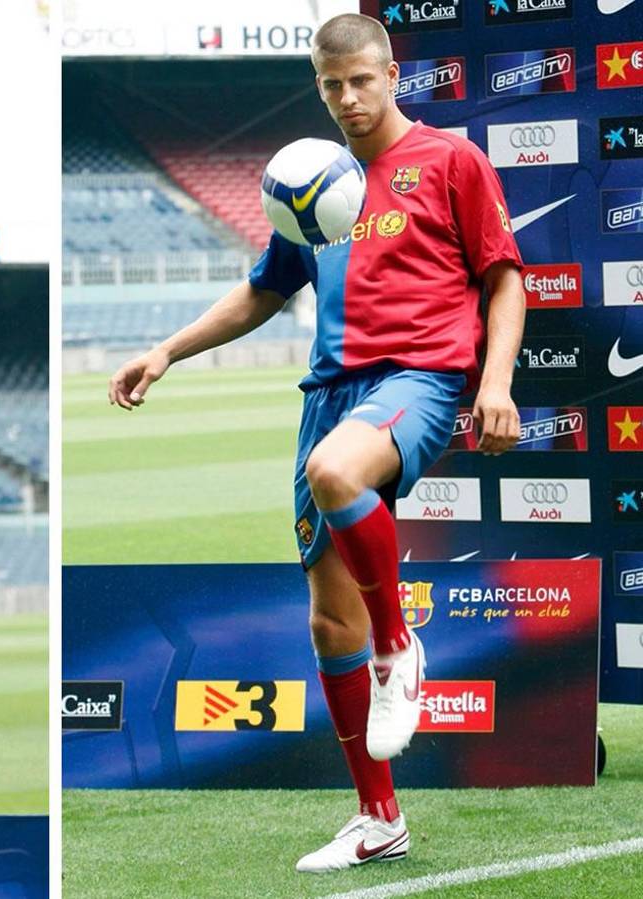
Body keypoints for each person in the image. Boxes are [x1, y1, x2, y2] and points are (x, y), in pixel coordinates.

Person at [108, 13, 523, 873]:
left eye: (360, 81)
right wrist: (167, 350)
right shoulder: (310, 180)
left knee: (336, 471)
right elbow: (263, 291)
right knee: (328, 616)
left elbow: (503, 276)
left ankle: (397, 645)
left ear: (391, 74)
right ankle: (379, 817)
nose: (346, 98)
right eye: (330, 85)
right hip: (328, 391)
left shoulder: (450, 161)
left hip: (419, 378)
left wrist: (494, 383)